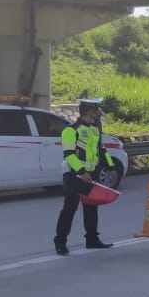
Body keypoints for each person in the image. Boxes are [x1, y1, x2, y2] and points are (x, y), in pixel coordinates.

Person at [55, 98, 115, 255]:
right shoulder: (70, 130)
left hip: (91, 174)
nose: (98, 113)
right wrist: (82, 172)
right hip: (73, 175)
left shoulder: (95, 129)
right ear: (88, 111)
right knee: (69, 209)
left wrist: (111, 166)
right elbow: (68, 155)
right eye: (96, 110)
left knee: (91, 208)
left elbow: (101, 150)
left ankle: (92, 240)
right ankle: (60, 242)